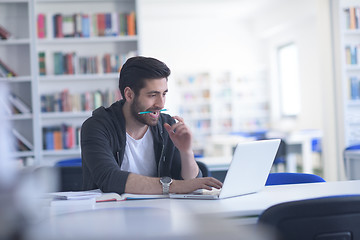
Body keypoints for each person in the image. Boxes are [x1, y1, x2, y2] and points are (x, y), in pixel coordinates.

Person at [81, 56, 222, 195]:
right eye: (152, 95)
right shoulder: (96, 127)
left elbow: (191, 185)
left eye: (164, 94)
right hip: (109, 213)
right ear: (129, 95)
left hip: (159, 212)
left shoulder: (167, 126)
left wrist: (186, 152)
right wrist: (171, 186)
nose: (161, 104)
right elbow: (110, 179)